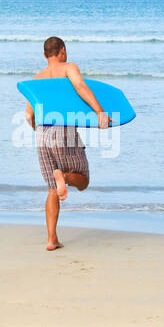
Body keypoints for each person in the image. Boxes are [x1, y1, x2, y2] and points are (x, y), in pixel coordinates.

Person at [25, 36, 109, 251]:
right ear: (62, 51)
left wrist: (40, 131)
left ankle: (52, 240)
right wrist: (100, 112)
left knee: (53, 189)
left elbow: (28, 115)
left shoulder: (37, 80)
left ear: (45, 55)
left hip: (42, 134)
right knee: (83, 180)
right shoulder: (68, 67)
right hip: (64, 131)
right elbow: (80, 87)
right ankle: (64, 176)